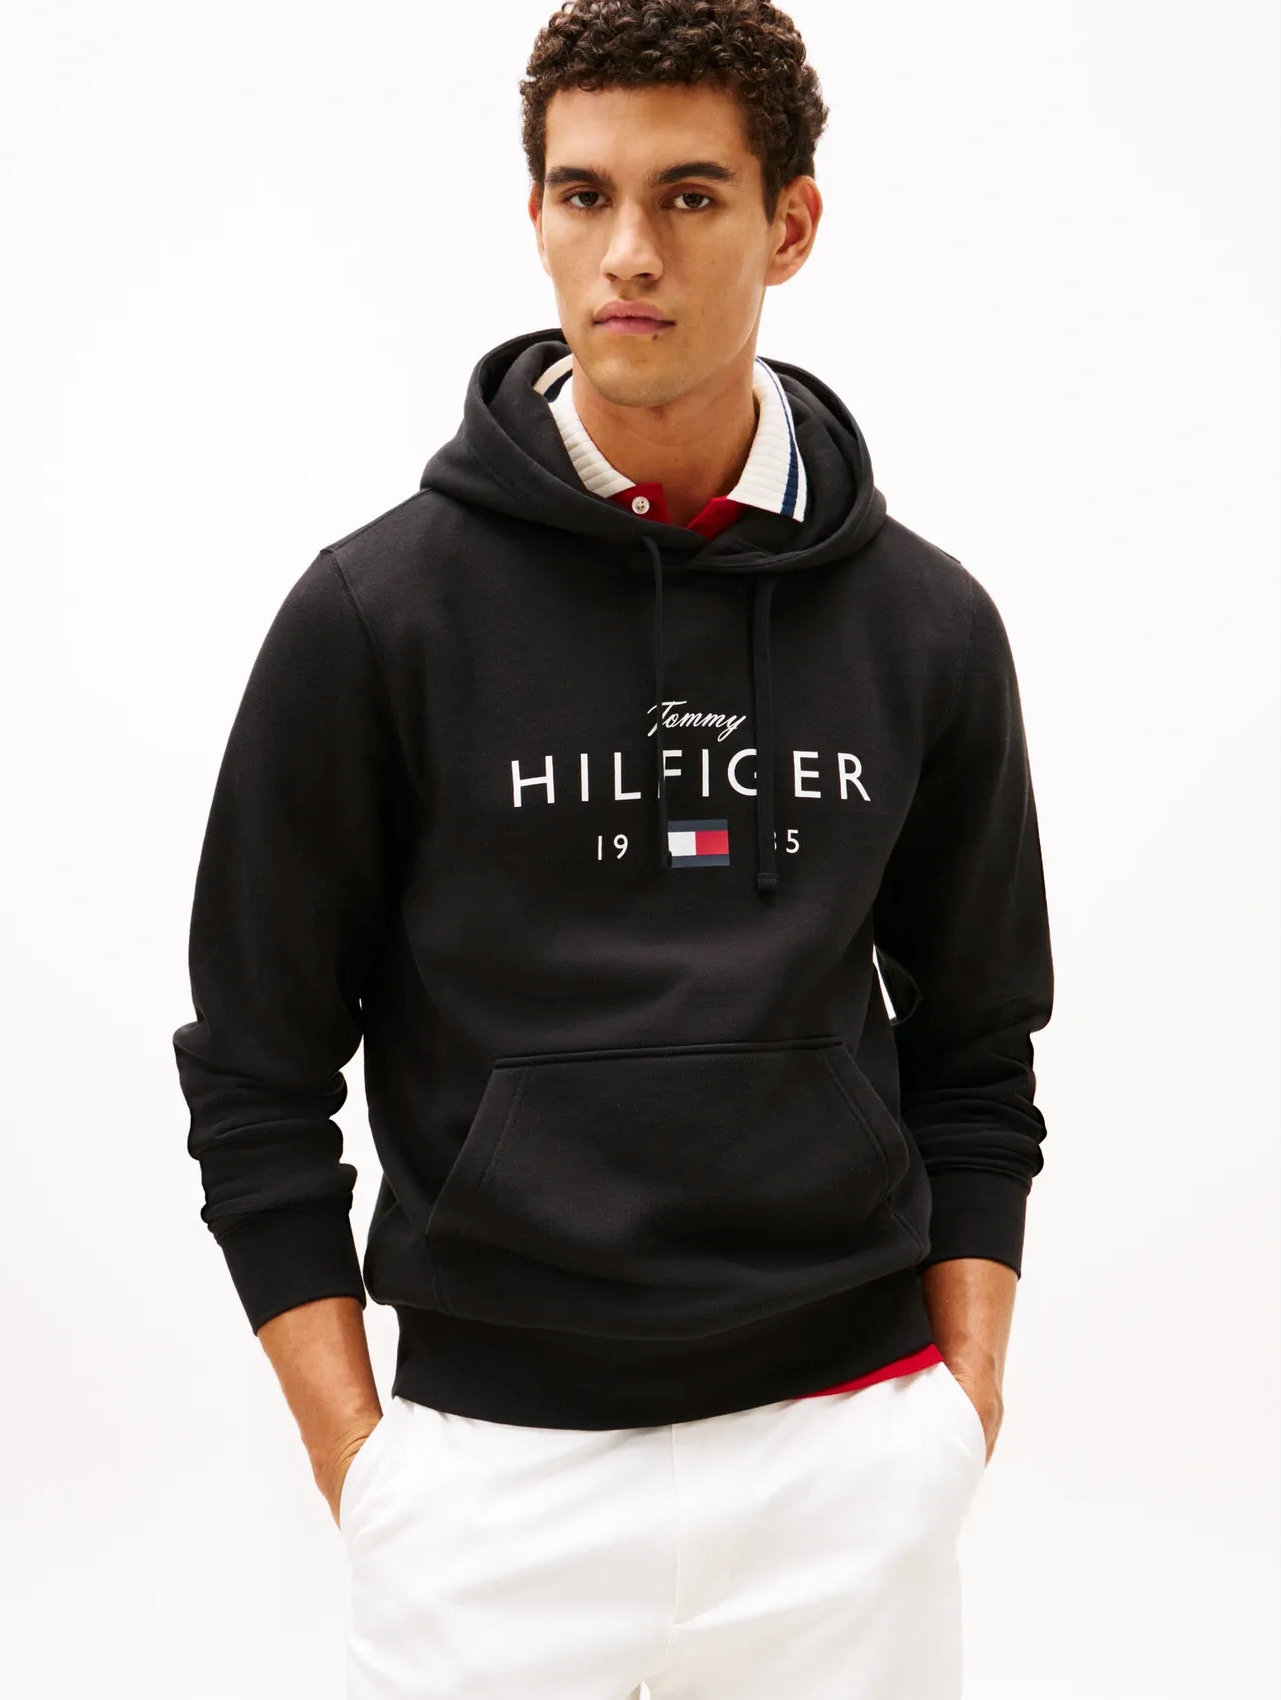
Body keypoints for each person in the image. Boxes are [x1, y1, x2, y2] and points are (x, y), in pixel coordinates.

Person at [171, 2, 1054, 1695]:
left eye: (690, 196)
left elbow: (979, 1046)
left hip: (850, 1456)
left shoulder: (927, 626)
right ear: (537, 214)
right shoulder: (375, 617)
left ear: (791, 225)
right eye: (585, 195)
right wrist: (368, 1468)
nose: (628, 251)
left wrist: (960, 1403)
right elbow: (257, 1073)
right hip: (493, 1482)